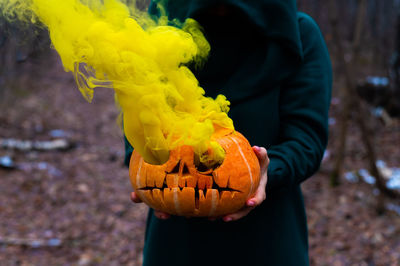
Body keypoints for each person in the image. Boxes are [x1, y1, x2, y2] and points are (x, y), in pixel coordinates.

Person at [125, 0, 332, 265]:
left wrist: (267, 171)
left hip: (268, 240)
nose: (221, 8)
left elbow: (307, 140)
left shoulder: (298, 34)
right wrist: (146, 167)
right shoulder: (159, 29)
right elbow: (136, 119)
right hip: (175, 242)